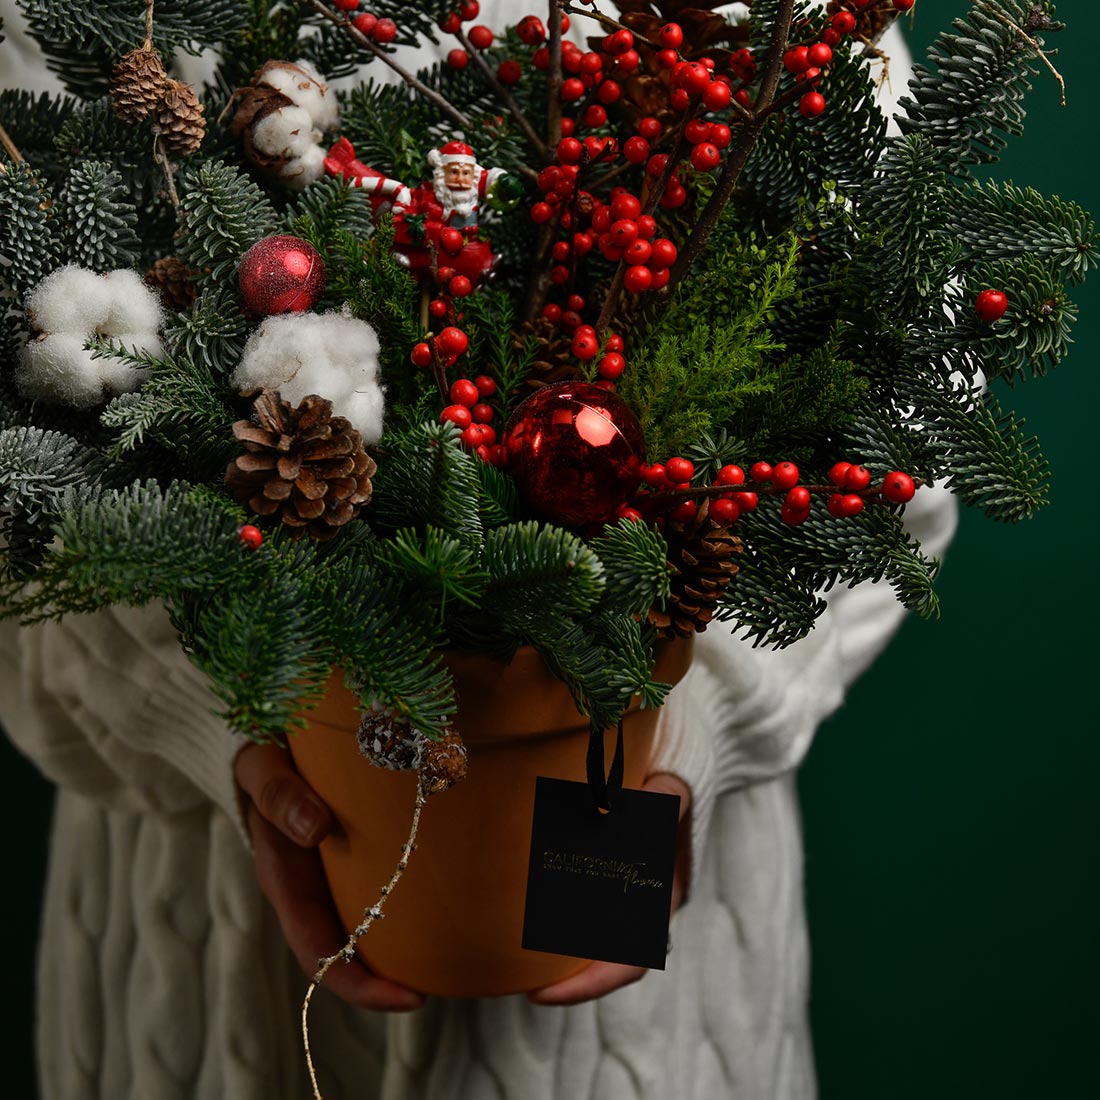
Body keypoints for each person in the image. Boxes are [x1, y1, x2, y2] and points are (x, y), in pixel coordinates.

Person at [0, 2, 952, 1097]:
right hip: (209, 954)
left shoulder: (764, 28)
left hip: (640, 979)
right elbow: (25, 457)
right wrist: (228, 711)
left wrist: (685, 713)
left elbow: (896, 419)